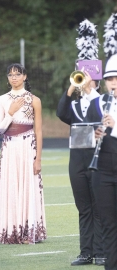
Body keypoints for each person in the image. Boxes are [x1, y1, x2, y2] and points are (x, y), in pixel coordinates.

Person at [57, 19, 104, 266]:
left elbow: (100, 117)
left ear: (95, 80)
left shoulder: (101, 101)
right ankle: (86, 252)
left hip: (98, 160)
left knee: (99, 208)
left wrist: (90, 91)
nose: (83, 81)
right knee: (84, 208)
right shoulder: (73, 104)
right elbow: (60, 113)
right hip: (77, 161)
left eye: (87, 78)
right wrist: (70, 88)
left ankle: (101, 251)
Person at [0, 63, 46, 244]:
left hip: (28, 147)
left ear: (25, 76)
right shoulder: (2, 99)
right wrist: (10, 112)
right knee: (11, 186)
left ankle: (28, 232)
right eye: (10, 74)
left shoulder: (35, 100)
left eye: (17, 74)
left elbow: (38, 131)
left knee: (28, 186)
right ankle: (11, 232)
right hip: (9, 148)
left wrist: (38, 158)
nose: (14, 77)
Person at [84, 13, 117, 270]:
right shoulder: (100, 102)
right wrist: (95, 133)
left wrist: (114, 128)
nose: (113, 84)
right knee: (108, 221)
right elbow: (80, 129)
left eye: (116, 79)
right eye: (109, 79)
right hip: (103, 167)